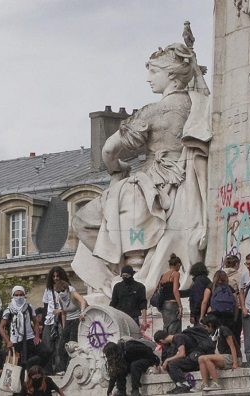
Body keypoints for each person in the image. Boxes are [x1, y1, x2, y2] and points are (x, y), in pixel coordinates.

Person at [85, 37, 209, 294]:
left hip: (156, 177)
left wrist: (117, 169)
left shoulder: (153, 111)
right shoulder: (200, 105)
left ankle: (129, 272)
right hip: (189, 177)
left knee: (92, 216)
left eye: (153, 71)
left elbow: (108, 149)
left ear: (171, 75)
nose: (148, 78)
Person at [154, 327, 210, 395]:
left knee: (172, 364)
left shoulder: (178, 337)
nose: (163, 345)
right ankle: (179, 385)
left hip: (195, 360)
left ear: (161, 341)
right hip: (190, 360)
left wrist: (167, 360)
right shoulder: (174, 341)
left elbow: (182, 354)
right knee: (169, 365)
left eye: (161, 344)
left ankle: (185, 384)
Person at [0, 286, 41, 369]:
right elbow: (1, 327)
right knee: (17, 364)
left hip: (29, 339)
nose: (19, 297)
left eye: (21, 294)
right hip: (15, 340)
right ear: (13, 295)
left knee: (34, 360)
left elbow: (36, 322)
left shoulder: (29, 307)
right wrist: (8, 341)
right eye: (16, 295)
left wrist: (37, 336)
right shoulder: (9, 310)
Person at [196, 314, 240, 392]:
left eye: (205, 326)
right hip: (223, 358)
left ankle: (216, 384)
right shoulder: (214, 334)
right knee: (200, 359)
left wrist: (235, 363)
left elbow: (232, 346)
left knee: (205, 358)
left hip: (232, 357)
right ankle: (205, 384)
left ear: (210, 325)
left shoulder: (223, 329)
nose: (205, 329)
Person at [53, 279, 88, 373]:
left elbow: (82, 301)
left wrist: (82, 312)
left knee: (72, 344)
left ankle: (72, 367)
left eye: (62, 290)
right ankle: (63, 368)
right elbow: (63, 313)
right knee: (62, 345)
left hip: (77, 319)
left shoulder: (72, 294)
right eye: (58, 292)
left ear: (67, 289)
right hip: (68, 320)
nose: (61, 293)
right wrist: (64, 326)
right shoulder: (60, 299)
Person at [41, 267, 68, 372]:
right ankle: (48, 369)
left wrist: (61, 311)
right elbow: (45, 306)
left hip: (62, 319)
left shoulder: (67, 288)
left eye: (57, 276)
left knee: (59, 346)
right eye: (54, 276)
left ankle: (59, 368)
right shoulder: (48, 290)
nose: (56, 278)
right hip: (49, 320)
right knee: (47, 346)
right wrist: (43, 323)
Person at [110, 265, 149, 329]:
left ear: (131, 275)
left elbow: (143, 304)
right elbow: (113, 303)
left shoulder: (140, 287)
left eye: (127, 276)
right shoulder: (117, 287)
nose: (125, 277)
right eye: (123, 276)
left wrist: (144, 321)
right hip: (120, 318)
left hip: (133, 318)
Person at [157, 254, 184, 335]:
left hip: (164, 304)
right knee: (175, 326)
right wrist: (180, 306)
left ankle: (166, 341)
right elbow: (175, 290)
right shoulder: (175, 274)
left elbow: (159, 290)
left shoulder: (163, 275)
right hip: (172, 303)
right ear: (178, 265)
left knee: (166, 325)